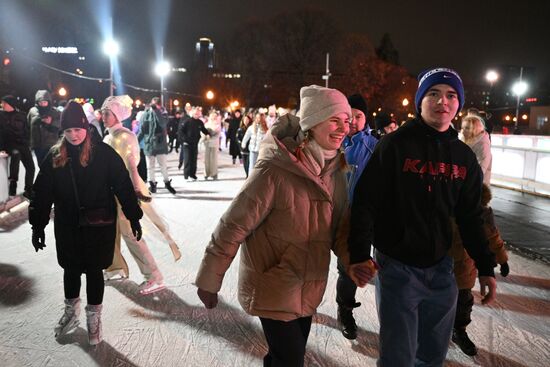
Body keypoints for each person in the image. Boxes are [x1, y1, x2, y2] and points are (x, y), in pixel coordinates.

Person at [348, 67, 497, 366]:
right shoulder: (395, 146)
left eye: (451, 95)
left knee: (432, 356)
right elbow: (365, 202)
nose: (443, 101)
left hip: (442, 269)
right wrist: (359, 254)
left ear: (458, 104)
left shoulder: (463, 157)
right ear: (420, 101)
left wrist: (485, 266)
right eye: (433, 94)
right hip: (398, 266)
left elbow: (471, 216)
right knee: (398, 357)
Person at [195, 85, 352, 367]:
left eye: (347, 121)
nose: (343, 128)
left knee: (287, 358)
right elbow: (233, 226)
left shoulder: (335, 172)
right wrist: (209, 279)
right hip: (273, 282)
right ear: (313, 123)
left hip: (307, 284)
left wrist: (355, 261)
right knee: (289, 359)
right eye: (334, 119)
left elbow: (339, 229)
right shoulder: (274, 170)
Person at [28, 100, 143, 345]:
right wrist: (37, 225)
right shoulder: (56, 155)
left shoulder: (103, 154)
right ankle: (71, 313)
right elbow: (42, 192)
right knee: (70, 269)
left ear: (86, 128)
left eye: (77, 130)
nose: (73, 135)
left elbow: (122, 185)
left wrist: (134, 215)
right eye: (68, 131)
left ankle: (94, 318)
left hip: (98, 224)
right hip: (68, 224)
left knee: (93, 271)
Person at [101, 96, 179, 293]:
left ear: (117, 115)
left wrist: (135, 191)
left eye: (107, 113)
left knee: (130, 233)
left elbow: (132, 168)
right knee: (110, 231)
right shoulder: (108, 137)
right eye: (102, 112)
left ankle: (154, 276)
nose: (103, 116)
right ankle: (114, 267)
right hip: (110, 192)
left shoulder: (125, 137)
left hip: (126, 191)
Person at [335, 93, 378, 340]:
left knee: (347, 267)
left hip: (358, 219)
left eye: (358, 116)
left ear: (365, 119)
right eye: (348, 115)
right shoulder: (333, 141)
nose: (352, 120)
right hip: (330, 213)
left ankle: (345, 309)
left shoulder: (374, 146)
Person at [450, 183, 509, 356]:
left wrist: (502, 260)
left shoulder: (481, 213)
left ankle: (459, 331)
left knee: (463, 303)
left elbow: (493, 237)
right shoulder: (444, 207)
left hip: (464, 269)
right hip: (439, 265)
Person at [137, 97, 176, 194]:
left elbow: (163, 123)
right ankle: (152, 184)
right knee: (150, 166)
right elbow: (142, 130)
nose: (155, 107)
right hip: (149, 144)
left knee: (163, 165)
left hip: (159, 144)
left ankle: (167, 182)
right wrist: (136, 141)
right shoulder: (146, 114)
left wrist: (157, 111)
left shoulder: (163, 113)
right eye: (154, 105)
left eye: (157, 105)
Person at [0, 95, 35, 198]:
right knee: (16, 154)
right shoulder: (1, 116)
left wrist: (28, 142)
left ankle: (28, 189)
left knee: (31, 167)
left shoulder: (22, 115)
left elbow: (27, 130)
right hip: (10, 144)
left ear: (10, 104)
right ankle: (13, 183)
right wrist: (1, 148)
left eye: (4, 103)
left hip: (23, 144)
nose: (2, 105)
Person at [27, 90, 61, 166]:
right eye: (40, 102)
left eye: (44, 102)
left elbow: (61, 125)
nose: (42, 104)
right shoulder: (32, 111)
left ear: (48, 102)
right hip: (37, 144)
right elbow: (28, 125)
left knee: (52, 165)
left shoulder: (55, 112)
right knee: (41, 166)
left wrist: (51, 122)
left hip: (51, 144)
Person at [178, 107, 210, 181]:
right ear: (192, 114)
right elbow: (181, 131)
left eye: (198, 114)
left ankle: (192, 175)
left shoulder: (199, 122)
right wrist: (184, 140)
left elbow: (203, 129)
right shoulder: (187, 121)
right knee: (187, 159)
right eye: (195, 113)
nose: (197, 115)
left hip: (195, 143)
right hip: (187, 143)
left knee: (193, 159)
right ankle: (186, 175)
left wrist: (208, 133)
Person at [460, 115, 492, 185]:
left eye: (467, 128)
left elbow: (481, 169)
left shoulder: (483, 144)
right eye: (463, 128)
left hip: (476, 185)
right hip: (466, 182)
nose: (463, 131)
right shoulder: (466, 140)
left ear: (475, 129)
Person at [202, 111, 222, 180]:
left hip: (214, 143)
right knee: (206, 159)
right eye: (212, 116)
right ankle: (206, 173)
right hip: (207, 143)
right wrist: (205, 136)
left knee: (213, 159)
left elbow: (218, 134)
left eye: (214, 116)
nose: (213, 117)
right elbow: (202, 132)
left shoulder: (217, 125)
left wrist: (211, 135)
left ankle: (214, 174)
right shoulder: (206, 124)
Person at [236, 114, 252, 178]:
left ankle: (249, 175)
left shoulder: (251, 128)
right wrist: (241, 145)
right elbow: (237, 139)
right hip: (243, 148)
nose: (246, 121)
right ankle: (247, 174)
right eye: (245, 119)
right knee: (245, 163)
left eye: (247, 119)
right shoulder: (240, 129)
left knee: (249, 162)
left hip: (250, 148)